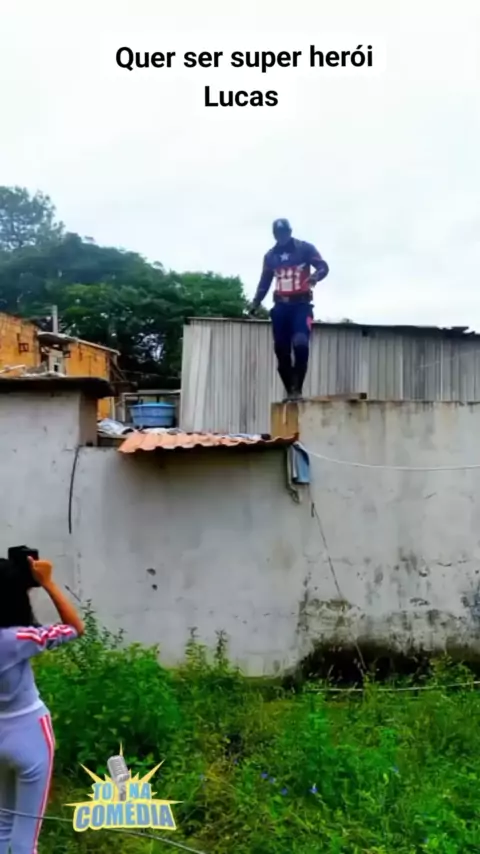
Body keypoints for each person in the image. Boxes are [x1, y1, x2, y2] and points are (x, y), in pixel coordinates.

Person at [0, 555, 84, 854]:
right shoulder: (18, 639)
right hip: (29, 732)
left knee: (2, 826)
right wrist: (47, 583)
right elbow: (75, 627)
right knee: (26, 840)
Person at [249, 219, 329, 400]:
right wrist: (255, 303)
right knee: (281, 349)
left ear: (290, 232)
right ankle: (290, 390)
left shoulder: (304, 248)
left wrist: (315, 277)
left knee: (300, 343)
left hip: (301, 305)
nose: (282, 237)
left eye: (284, 233)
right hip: (281, 307)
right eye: (278, 234)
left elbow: (323, 266)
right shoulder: (271, 256)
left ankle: (298, 388)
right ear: (274, 235)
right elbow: (265, 282)